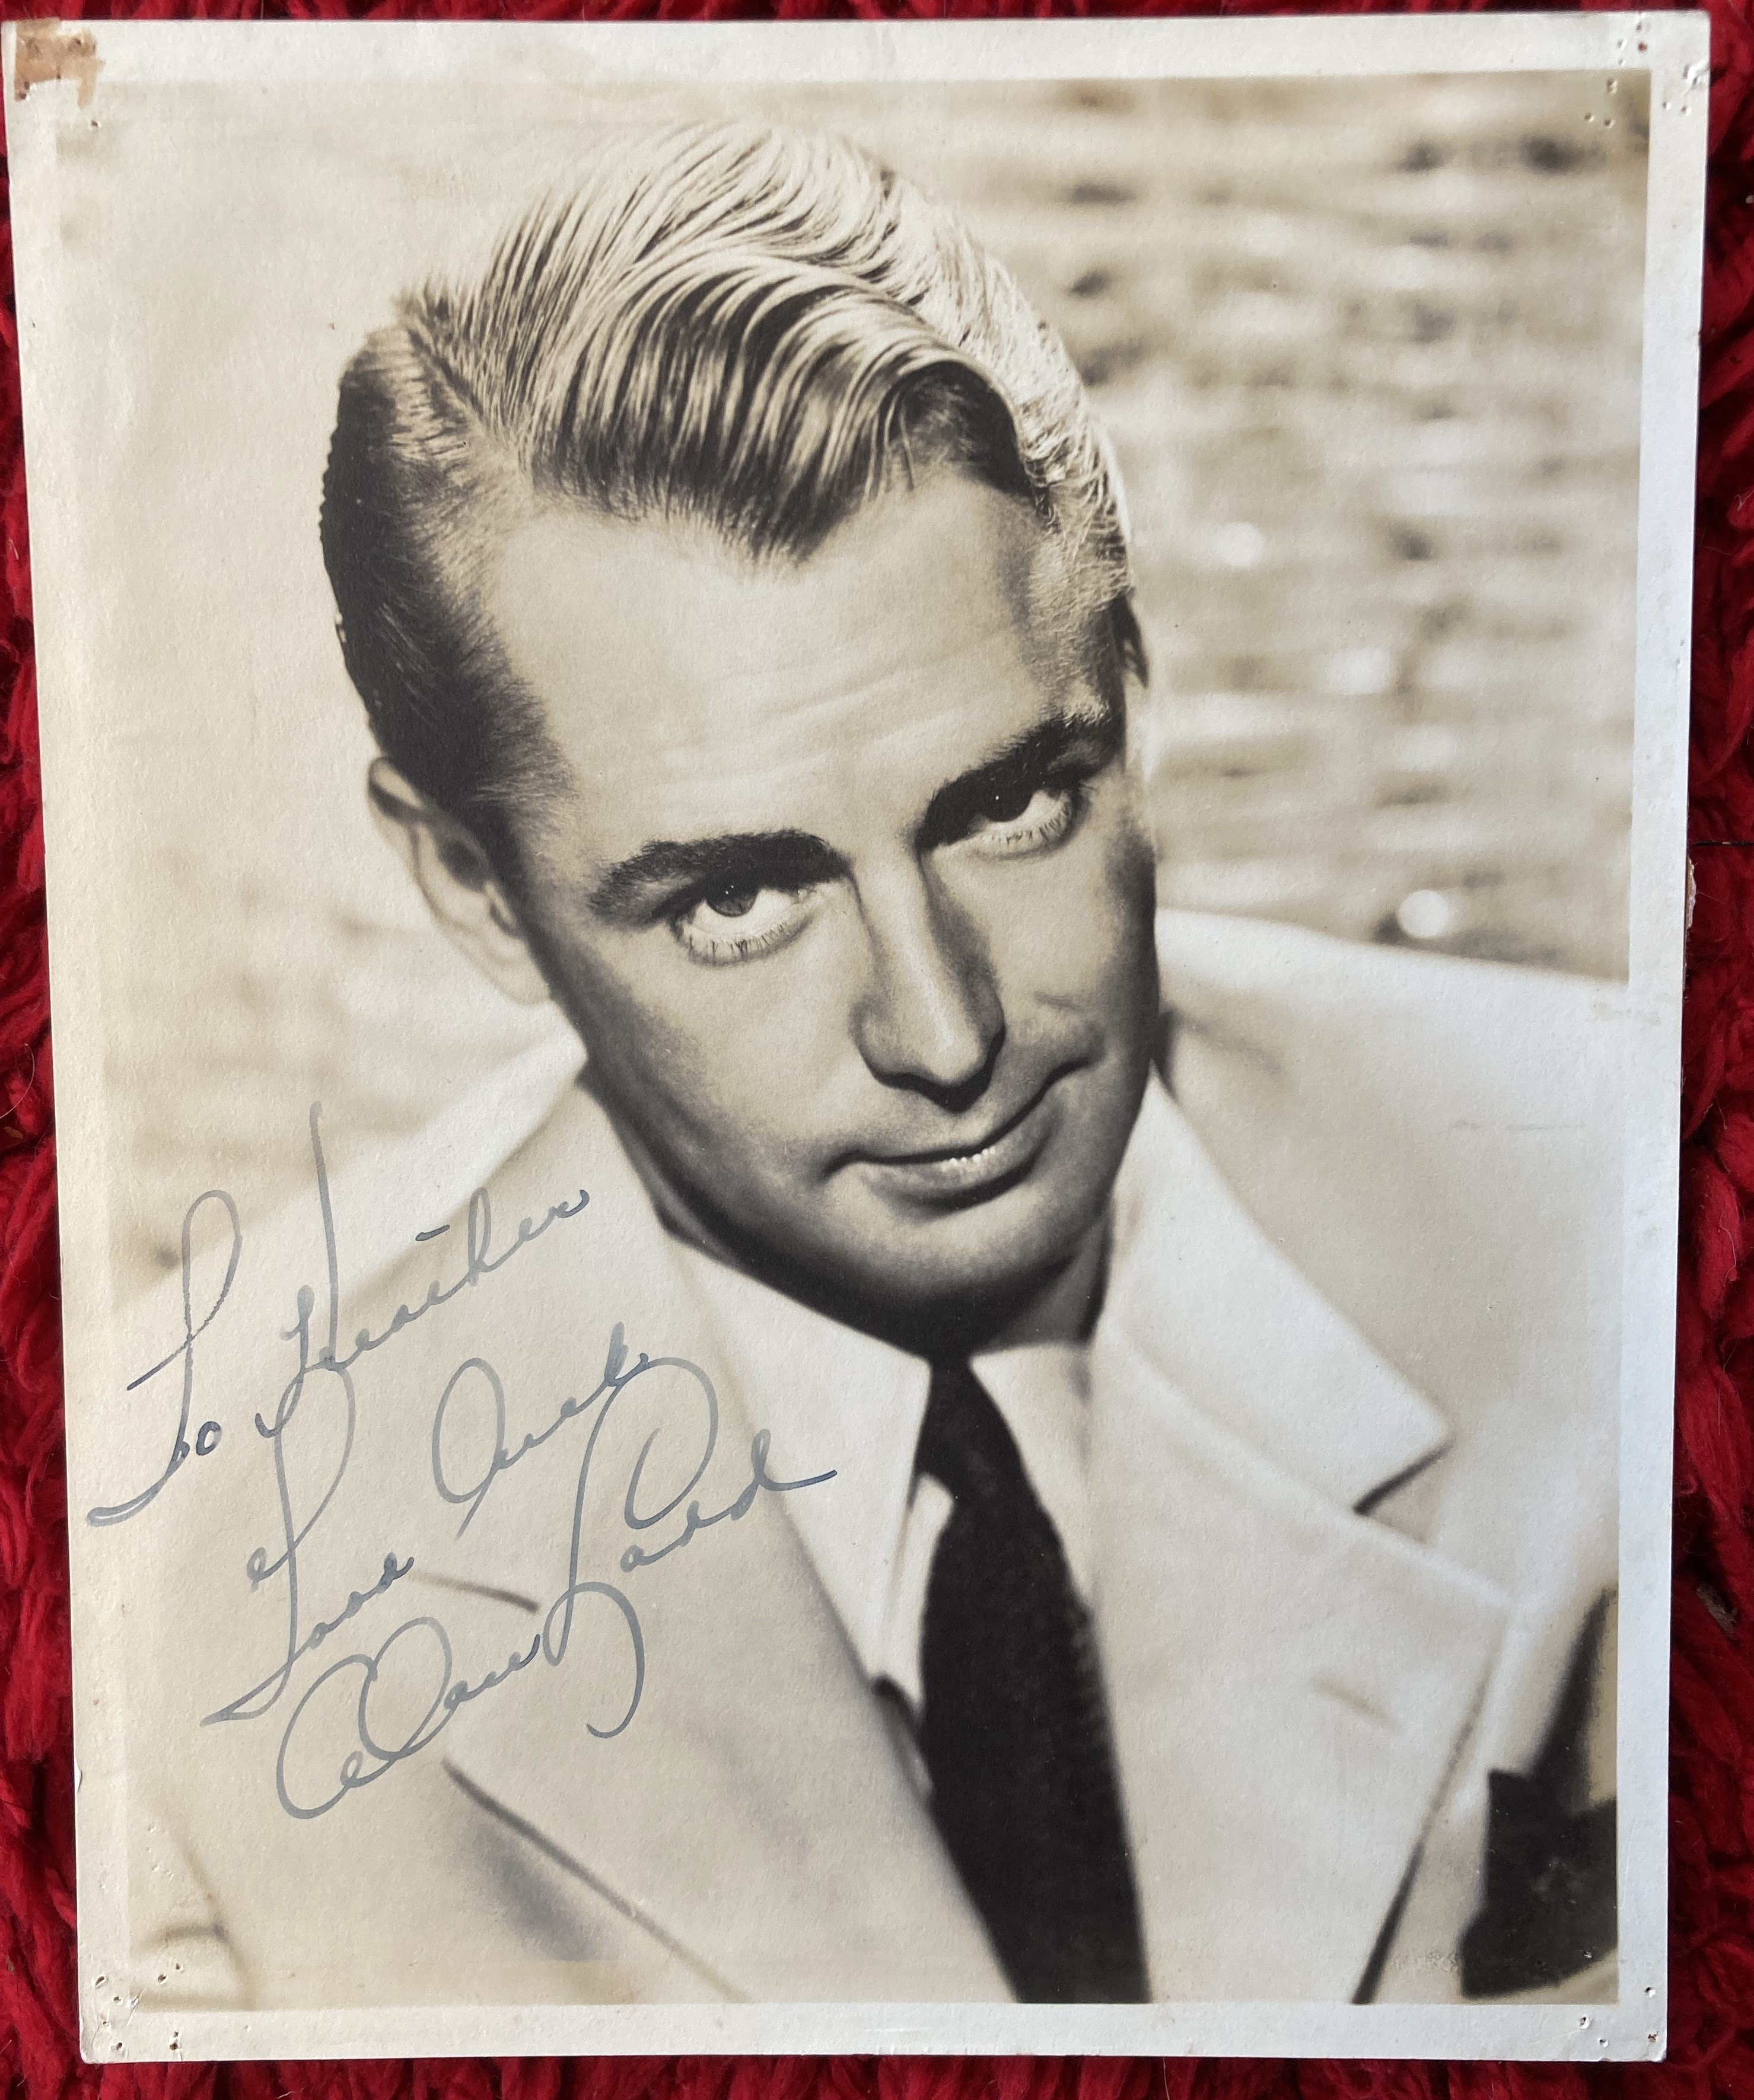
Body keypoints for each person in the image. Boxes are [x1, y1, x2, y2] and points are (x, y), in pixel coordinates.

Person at [132, 122, 1620, 2015]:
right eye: (740, 898)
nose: (947, 1034)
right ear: (474, 891)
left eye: (1012, 804)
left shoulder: (1627, 1203)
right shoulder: (169, 1586)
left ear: (1131, 687)